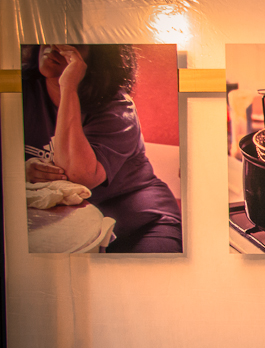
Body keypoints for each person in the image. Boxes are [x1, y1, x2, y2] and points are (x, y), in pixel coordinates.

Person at [22, 44, 182, 253]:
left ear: (98, 58)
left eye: (74, 43)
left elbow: (80, 177)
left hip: (139, 224)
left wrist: (68, 87)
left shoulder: (117, 106)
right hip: (68, 225)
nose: (55, 44)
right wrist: (21, 171)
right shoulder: (20, 91)